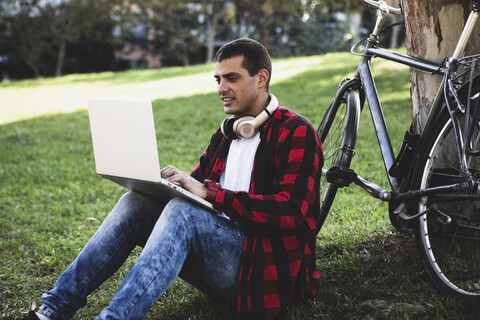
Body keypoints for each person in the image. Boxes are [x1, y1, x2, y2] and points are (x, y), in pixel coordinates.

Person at [22, 38, 323, 320]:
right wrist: (169, 185)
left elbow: (292, 212)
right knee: (135, 203)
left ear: (261, 78)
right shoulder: (227, 133)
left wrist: (210, 193)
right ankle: (52, 310)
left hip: (267, 274)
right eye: (218, 79)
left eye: (232, 78)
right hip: (222, 262)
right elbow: (198, 194)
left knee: (184, 214)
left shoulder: (296, 131)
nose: (221, 88)